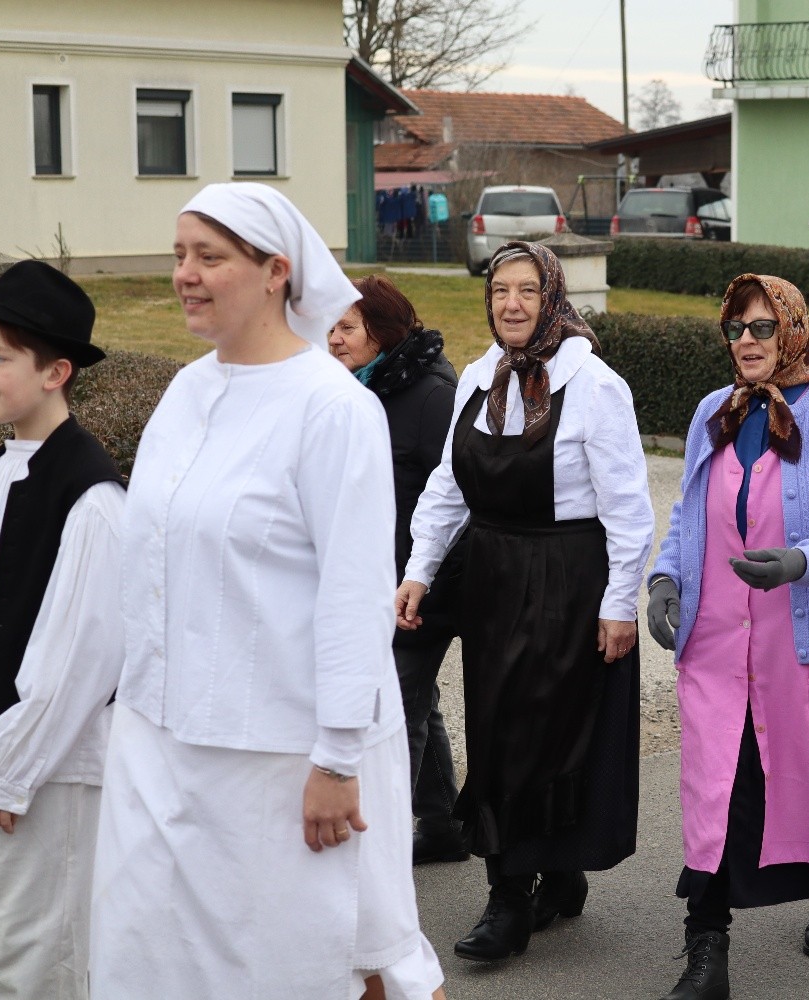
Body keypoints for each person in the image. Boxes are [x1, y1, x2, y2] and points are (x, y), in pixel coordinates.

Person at [89, 182, 447, 999]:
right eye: (180, 254)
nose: (185, 273)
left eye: (209, 257)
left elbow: (354, 595)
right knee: (154, 953)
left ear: (277, 271)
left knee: (300, 961)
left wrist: (336, 758)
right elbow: (150, 564)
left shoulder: (332, 410)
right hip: (161, 738)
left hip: (282, 756)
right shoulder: (186, 391)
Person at [396, 241, 653, 965]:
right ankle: (514, 889)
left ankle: (549, 875)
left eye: (526, 291)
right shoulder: (479, 378)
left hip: (570, 578)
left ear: (551, 299)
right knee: (499, 733)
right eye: (500, 289)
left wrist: (619, 605)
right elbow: (447, 488)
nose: (511, 303)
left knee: (556, 734)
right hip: (496, 575)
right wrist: (420, 570)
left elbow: (630, 511)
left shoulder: (595, 385)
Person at [647, 274, 809, 1000]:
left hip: (803, 641)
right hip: (718, 645)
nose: (745, 341)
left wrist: (800, 561)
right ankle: (706, 947)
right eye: (734, 329)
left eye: (760, 328)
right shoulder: (712, 412)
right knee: (719, 791)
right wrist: (665, 579)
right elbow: (690, 513)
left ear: (791, 330)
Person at [0, 261, 124, 1000]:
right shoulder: (7, 469)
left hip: (50, 774)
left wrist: (8, 768)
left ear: (56, 372)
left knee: (42, 962)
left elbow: (81, 658)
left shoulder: (92, 497)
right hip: (7, 763)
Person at [329, 275, 468, 865]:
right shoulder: (361, 388)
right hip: (382, 579)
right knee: (417, 700)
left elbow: (457, 494)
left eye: (348, 328)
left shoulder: (432, 396)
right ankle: (441, 826)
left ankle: (377, 850)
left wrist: (421, 578)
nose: (334, 339)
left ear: (383, 333)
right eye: (330, 327)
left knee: (394, 707)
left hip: (427, 582)